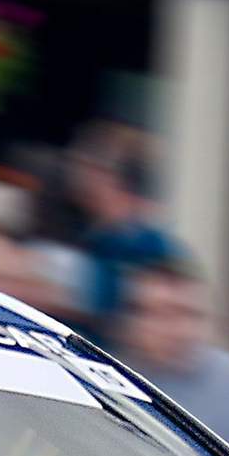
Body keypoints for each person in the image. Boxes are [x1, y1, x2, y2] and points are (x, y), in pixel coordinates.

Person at [110, 262, 229, 450]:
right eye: (161, 315)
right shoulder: (109, 378)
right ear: (131, 320)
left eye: (188, 314)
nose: (176, 328)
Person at [61, 124, 186, 327]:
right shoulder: (91, 237)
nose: (74, 175)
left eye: (85, 165)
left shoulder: (150, 247)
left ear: (104, 176)